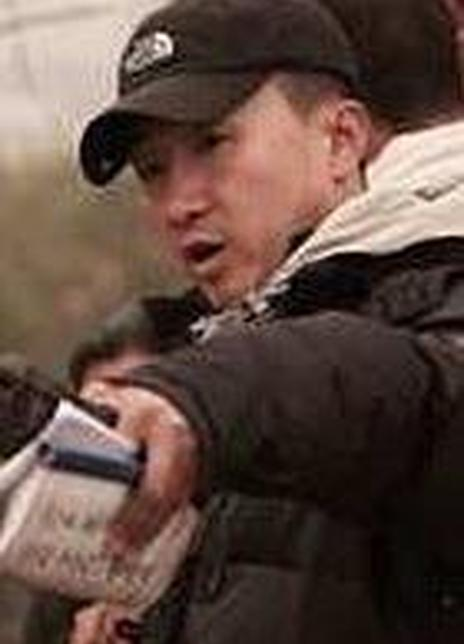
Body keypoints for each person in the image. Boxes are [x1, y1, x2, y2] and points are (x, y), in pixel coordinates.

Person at [72, 0, 464, 642]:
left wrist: (203, 400)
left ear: (341, 139)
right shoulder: (214, 354)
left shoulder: (435, 290)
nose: (178, 203)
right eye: (152, 170)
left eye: (212, 143)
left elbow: (407, 389)